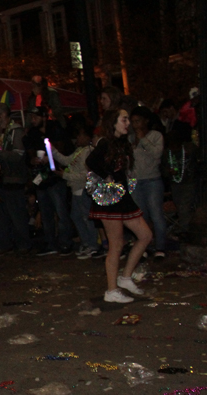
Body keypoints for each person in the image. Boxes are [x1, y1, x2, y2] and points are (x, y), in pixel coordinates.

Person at [86, 110, 153, 303]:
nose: (128, 123)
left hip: (123, 197)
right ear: (113, 123)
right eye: (124, 119)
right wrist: (107, 176)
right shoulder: (105, 143)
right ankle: (111, 290)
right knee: (116, 245)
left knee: (145, 235)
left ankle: (125, 278)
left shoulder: (122, 143)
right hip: (110, 199)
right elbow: (90, 161)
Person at [0, 103, 32, 254]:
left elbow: (18, 155)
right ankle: (4, 244)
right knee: (0, 216)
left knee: (17, 214)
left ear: (2, 115)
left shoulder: (16, 131)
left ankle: (23, 244)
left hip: (14, 179)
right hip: (0, 179)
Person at [23, 107, 73, 256]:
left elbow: (63, 149)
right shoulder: (32, 134)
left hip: (56, 177)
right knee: (46, 213)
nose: (33, 120)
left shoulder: (55, 129)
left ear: (44, 117)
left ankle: (65, 242)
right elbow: (29, 155)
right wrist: (32, 160)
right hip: (41, 179)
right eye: (31, 117)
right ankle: (51, 243)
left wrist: (50, 158)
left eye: (36, 117)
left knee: (61, 211)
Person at [53, 122, 103, 258]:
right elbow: (66, 161)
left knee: (86, 218)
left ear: (88, 137)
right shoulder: (79, 151)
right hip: (76, 189)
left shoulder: (88, 152)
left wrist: (65, 175)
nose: (78, 138)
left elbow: (85, 175)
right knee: (77, 216)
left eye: (80, 135)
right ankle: (87, 242)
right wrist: (52, 150)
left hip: (83, 189)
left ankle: (93, 244)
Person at [129, 106, 167, 259]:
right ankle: (143, 247)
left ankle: (160, 247)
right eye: (133, 122)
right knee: (140, 217)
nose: (135, 125)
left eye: (138, 121)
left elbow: (157, 154)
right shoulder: (130, 138)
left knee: (156, 214)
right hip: (135, 181)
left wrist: (143, 139)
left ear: (146, 121)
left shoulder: (156, 136)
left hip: (152, 180)